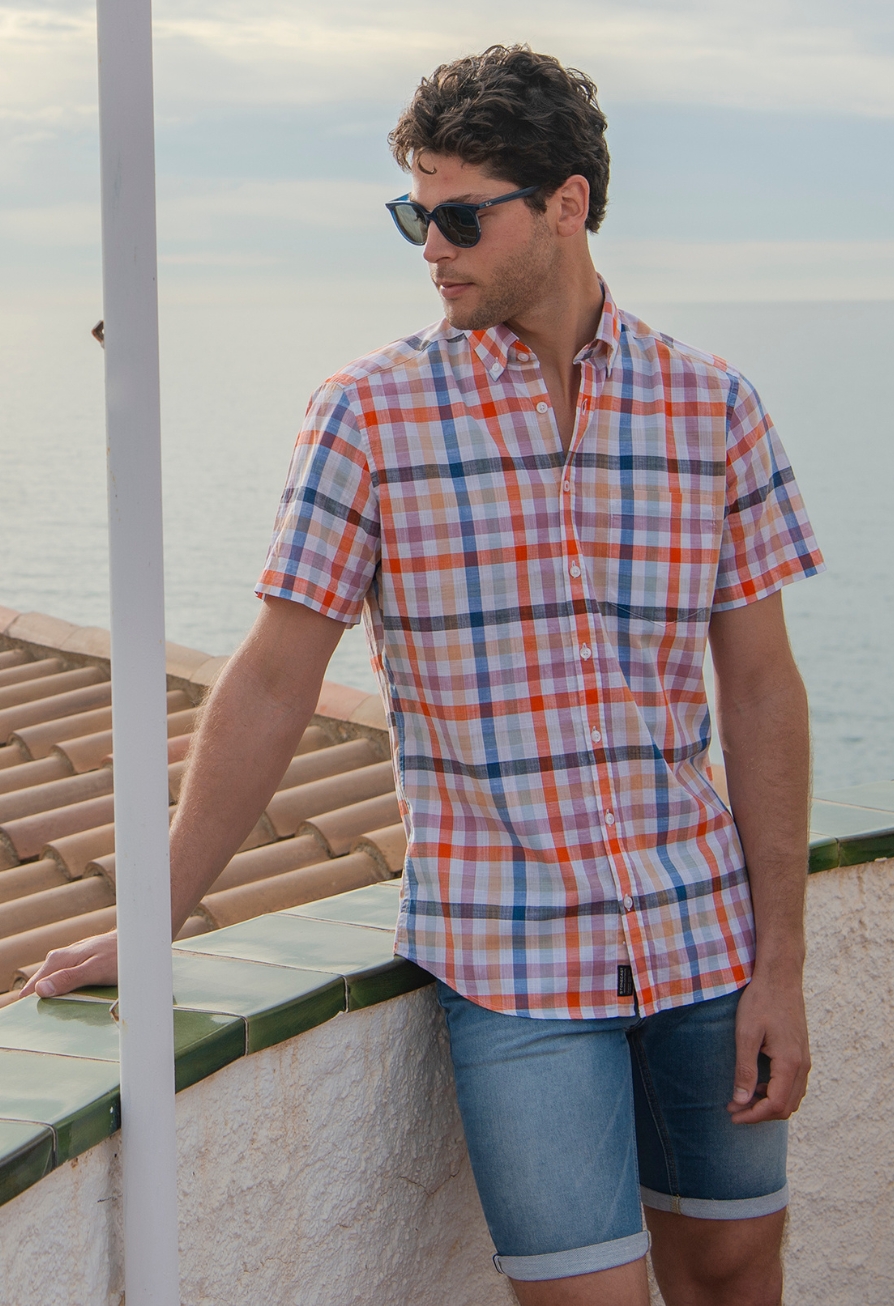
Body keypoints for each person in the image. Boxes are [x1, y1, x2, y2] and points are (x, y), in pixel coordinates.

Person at [22, 45, 824, 1306]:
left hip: (706, 940)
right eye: (415, 215)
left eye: (459, 217)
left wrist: (781, 963)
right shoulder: (369, 415)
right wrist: (156, 914)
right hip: (510, 965)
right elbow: (275, 679)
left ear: (566, 204)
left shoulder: (714, 408)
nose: (431, 248)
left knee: (735, 1269)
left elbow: (763, 689)